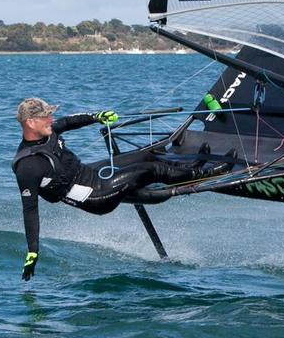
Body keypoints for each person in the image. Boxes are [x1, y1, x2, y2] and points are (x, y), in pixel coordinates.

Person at [12, 97, 232, 281]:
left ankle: (189, 168)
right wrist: (33, 250)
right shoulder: (28, 166)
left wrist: (96, 116)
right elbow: (29, 209)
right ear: (30, 122)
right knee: (150, 169)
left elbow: (67, 122)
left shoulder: (47, 132)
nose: (51, 119)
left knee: (146, 154)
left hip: (91, 174)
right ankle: (208, 173)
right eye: (45, 116)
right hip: (97, 196)